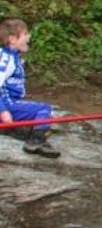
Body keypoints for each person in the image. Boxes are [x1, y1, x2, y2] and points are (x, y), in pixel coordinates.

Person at [0, 18, 61, 158]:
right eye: (25, 34)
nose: (29, 36)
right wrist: (3, 111)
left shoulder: (10, 56)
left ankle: (13, 129)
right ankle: (36, 141)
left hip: (9, 104)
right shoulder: (6, 60)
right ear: (12, 39)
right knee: (44, 109)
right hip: (7, 105)